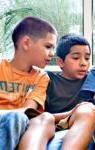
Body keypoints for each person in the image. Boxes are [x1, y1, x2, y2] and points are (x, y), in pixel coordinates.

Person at [0, 16, 57, 150]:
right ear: (26, 43)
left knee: (18, 117)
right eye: (48, 46)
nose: (52, 53)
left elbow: (27, 110)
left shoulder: (41, 77)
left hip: (19, 123)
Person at [45, 34, 95, 149]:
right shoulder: (48, 80)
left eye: (87, 58)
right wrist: (68, 114)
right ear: (60, 62)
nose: (83, 63)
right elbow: (39, 117)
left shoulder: (92, 79)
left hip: (82, 129)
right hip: (52, 129)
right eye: (76, 58)